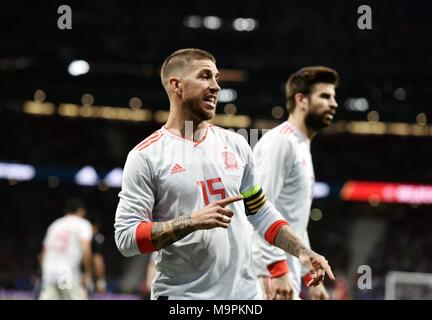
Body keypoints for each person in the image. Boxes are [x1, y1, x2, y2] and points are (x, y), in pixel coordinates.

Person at [114, 48, 334, 299]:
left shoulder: (237, 144)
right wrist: (191, 221)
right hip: (183, 297)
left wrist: (302, 252)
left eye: (217, 78)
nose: (216, 86)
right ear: (176, 85)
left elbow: (260, 212)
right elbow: (126, 239)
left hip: (244, 296)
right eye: (205, 76)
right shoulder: (146, 156)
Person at [252, 66, 339, 300]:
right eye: (325, 96)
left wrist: (310, 276)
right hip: (265, 273)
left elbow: (295, 221)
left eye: (334, 97)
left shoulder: (301, 145)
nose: (334, 103)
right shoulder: (281, 142)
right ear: (301, 99)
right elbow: (257, 210)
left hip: (282, 270)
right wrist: (276, 270)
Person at [39, 198, 93, 300]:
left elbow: (43, 253)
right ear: (81, 210)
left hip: (49, 271)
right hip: (66, 273)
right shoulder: (83, 224)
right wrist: (88, 273)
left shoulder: (54, 225)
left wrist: (43, 270)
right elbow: (86, 249)